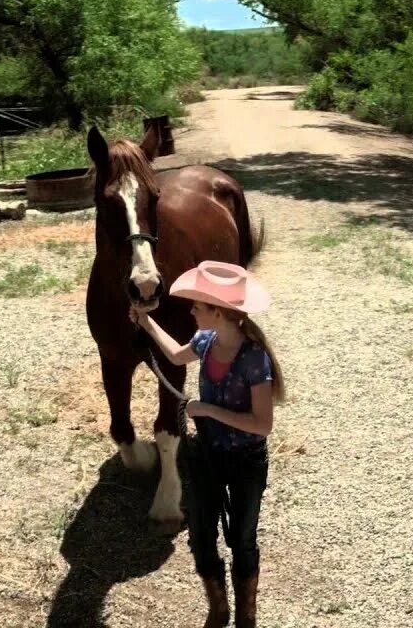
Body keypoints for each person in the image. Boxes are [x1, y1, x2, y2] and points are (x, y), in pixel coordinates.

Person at [130, 260, 285, 628]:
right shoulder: (205, 341)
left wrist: (208, 410)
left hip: (247, 460)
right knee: (200, 536)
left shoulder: (254, 360)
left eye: (199, 305)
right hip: (209, 457)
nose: (192, 310)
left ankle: (247, 614)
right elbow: (174, 354)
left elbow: (262, 425)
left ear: (218, 312)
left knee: (243, 539)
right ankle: (219, 607)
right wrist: (146, 321)